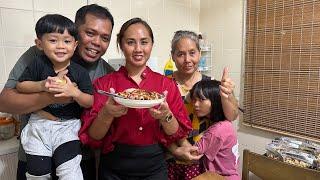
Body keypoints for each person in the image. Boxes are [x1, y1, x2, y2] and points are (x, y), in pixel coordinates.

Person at [0, 4, 114, 180]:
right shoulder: (39, 56)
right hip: (34, 157)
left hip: (79, 159)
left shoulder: (106, 71)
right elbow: (5, 101)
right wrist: (50, 95)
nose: (97, 42)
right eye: (90, 33)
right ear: (75, 31)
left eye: (105, 38)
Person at [79, 17, 192, 180]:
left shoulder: (166, 85)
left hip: (154, 167)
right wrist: (106, 114)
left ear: (152, 44)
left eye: (144, 42)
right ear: (120, 45)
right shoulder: (104, 84)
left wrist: (165, 115)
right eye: (131, 42)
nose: (138, 49)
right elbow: (94, 137)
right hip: (114, 167)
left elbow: (176, 133)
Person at [16, 14, 93, 180]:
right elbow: (20, 85)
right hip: (39, 125)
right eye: (53, 40)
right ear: (39, 44)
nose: (60, 46)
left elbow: (90, 101)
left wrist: (75, 93)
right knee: (37, 174)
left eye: (66, 41)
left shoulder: (80, 71)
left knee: (70, 173)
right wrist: (42, 85)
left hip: (67, 127)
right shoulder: (38, 63)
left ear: (75, 45)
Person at [166, 30, 239, 180]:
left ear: (199, 53)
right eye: (180, 54)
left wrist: (228, 95)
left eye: (192, 53)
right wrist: (174, 150)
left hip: (203, 162)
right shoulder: (164, 83)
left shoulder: (210, 84)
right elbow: (156, 126)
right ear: (172, 56)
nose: (187, 59)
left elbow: (231, 116)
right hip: (170, 158)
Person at [177, 80, 240, 180]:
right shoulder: (226, 124)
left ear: (215, 100)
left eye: (201, 100)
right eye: (194, 99)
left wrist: (176, 143)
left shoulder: (216, 131)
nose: (196, 104)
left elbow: (193, 153)